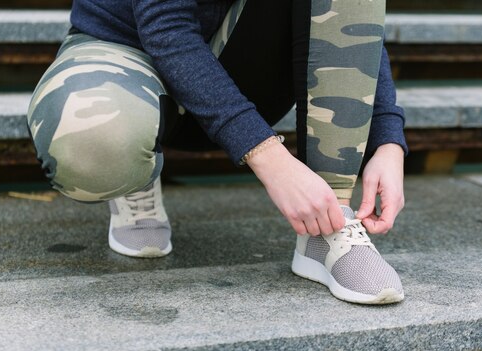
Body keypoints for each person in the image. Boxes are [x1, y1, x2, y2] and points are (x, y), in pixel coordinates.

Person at [27, 0, 407, 305]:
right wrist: (268, 156)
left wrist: (387, 139)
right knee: (90, 143)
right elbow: (166, 26)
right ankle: (137, 170)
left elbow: (349, 19)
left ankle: (328, 224)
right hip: (125, 47)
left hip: (241, 61)